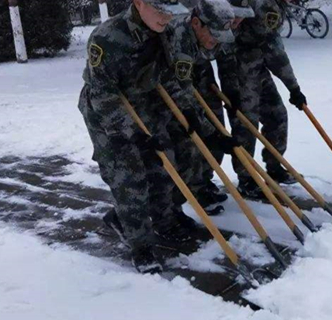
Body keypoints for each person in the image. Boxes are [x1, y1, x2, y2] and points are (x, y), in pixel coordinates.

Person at [77, 0, 236, 273]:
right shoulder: (108, 37)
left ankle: (166, 221)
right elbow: (103, 94)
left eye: (169, 12)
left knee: (165, 166)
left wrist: (196, 120)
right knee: (131, 180)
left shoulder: (168, 32)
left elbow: (173, 80)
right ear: (139, 3)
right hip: (110, 114)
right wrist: (133, 134)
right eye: (160, 10)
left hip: (147, 103)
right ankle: (140, 245)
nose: (166, 18)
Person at [165, 0, 254, 210]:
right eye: (213, 35)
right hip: (170, 80)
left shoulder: (219, 28)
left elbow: (227, 59)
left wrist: (232, 93)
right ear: (197, 23)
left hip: (201, 71)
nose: (217, 40)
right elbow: (181, 87)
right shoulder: (179, 36)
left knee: (217, 127)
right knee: (192, 134)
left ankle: (204, 181)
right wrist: (205, 129)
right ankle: (190, 189)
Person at [226, 0, 308, 198]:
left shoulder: (276, 5)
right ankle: (246, 178)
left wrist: (294, 88)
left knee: (277, 116)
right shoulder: (266, 6)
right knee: (247, 124)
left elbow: (272, 47)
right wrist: (293, 86)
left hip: (258, 67)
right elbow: (274, 52)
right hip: (240, 70)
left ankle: (274, 165)